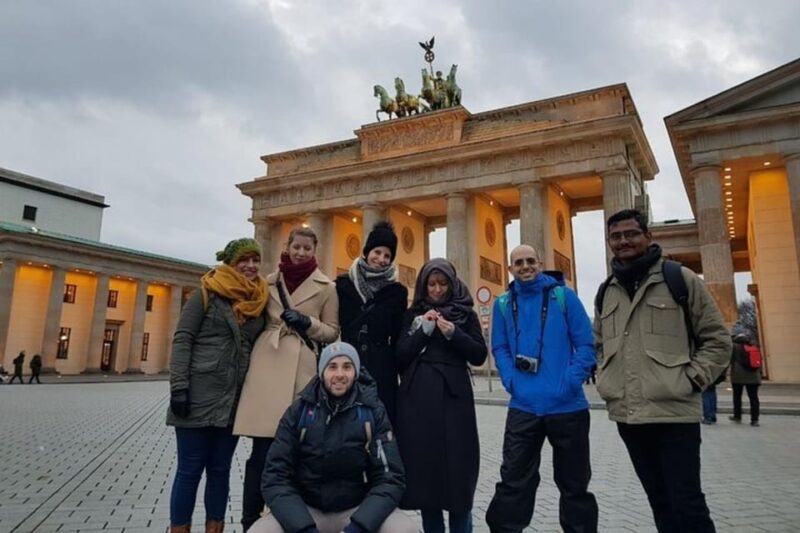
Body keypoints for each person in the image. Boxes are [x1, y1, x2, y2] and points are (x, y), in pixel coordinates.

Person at [593, 209, 731, 532]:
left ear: (648, 237)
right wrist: (605, 378)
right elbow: (599, 343)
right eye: (616, 236)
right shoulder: (606, 290)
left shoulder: (679, 279)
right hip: (629, 416)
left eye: (631, 234)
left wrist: (691, 379)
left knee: (687, 503)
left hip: (674, 413)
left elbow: (718, 340)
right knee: (659, 500)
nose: (623, 241)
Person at [486, 245, 598, 533]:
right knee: (513, 480)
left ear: (540, 263)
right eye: (518, 262)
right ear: (510, 268)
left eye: (530, 261)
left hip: (568, 406)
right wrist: (510, 379)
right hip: (523, 405)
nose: (525, 266)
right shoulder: (502, 304)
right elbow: (498, 346)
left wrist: (569, 381)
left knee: (574, 484)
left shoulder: (565, 297)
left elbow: (586, 345)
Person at [234, 227, 340, 531]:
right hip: (267, 363)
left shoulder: (327, 287)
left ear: (314, 251)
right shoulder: (267, 282)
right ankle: (250, 520)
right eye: (297, 247)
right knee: (261, 453)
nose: (301, 252)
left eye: (307, 248)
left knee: (297, 450)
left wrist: (308, 323)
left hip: (302, 368)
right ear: (288, 246)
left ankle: (290, 519)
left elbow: (333, 331)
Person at [250, 342, 417, 533]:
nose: (339, 374)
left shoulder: (372, 411)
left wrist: (360, 526)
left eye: (347, 367)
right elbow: (275, 477)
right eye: (332, 367)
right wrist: (303, 528)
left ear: (355, 372)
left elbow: (390, 477)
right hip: (306, 510)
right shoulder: (299, 411)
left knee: (405, 529)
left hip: (357, 509)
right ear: (321, 372)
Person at [167, 238, 268, 533]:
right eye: (243, 261)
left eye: (255, 260)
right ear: (231, 263)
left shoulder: (259, 299)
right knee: (189, 471)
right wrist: (179, 387)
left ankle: (215, 528)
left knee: (220, 471)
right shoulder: (206, 293)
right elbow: (183, 338)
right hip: (198, 394)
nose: (250, 266)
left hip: (233, 400)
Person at [395, 258, 487, 533]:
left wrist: (453, 333)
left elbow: (479, 355)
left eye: (442, 284)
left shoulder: (466, 314)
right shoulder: (413, 315)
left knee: (459, 476)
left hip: (455, 400)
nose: (436, 289)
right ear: (423, 286)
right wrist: (423, 331)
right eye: (431, 284)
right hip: (417, 402)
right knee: (427, 479)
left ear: (452, 283)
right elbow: (399, 356)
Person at [336, 221, 407, 426]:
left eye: (387, 255)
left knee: (380, 425)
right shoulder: (342, 285)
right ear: (366, 252)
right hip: (349, 364)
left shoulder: (398, 292)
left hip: (382, 369)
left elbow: (397, 334)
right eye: (377, 252)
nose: (381, 259)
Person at [729, 333, 762, 427]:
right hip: (753, 377)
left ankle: (737, 415)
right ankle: (755, 419)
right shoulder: (754, 347)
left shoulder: (734, 347)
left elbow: (729, 360)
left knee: (737, 396)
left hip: (738, 376)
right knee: (753, 397)